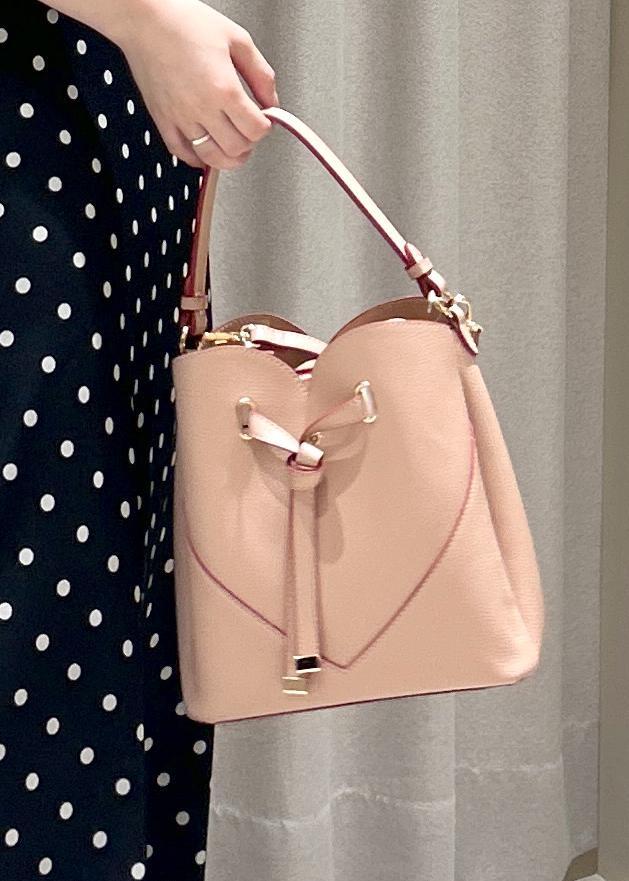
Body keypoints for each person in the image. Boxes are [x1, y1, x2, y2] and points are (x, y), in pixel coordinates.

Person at [0, 2, 278, 878]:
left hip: (108, 117)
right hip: (32, 119)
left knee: (123, 581)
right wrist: (145, 18)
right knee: (44, 584)